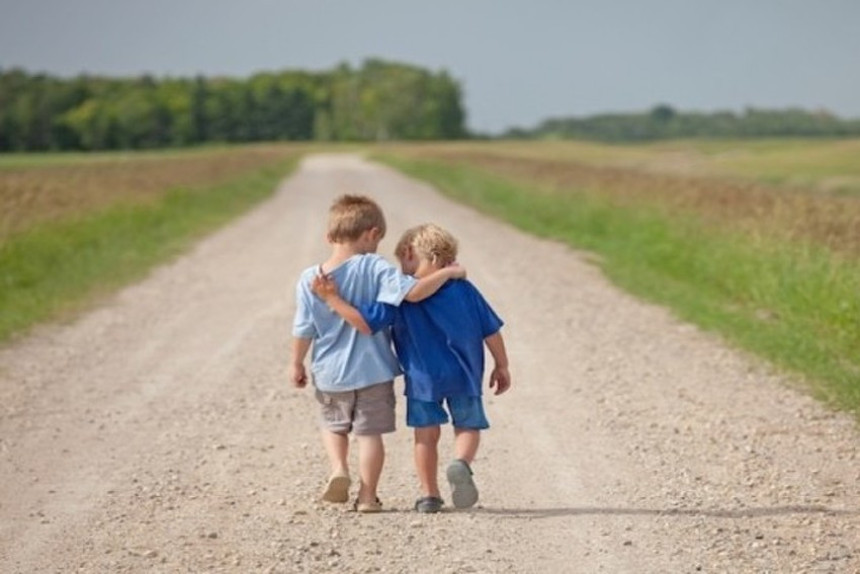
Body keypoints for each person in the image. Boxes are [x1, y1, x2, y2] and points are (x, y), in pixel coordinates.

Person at [312, 223, 511, 513]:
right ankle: (461, 463)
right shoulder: (465, 289)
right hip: (465, 374)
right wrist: (502, 365)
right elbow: (490, 330)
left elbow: (365, 323)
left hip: (422, 379)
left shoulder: (399, 296)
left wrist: (332, 299)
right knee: (468, 426)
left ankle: (429, 495)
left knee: (425, 437)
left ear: (408, 253)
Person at [290, 196, 465, 513]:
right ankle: (368, 497)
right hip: (374, 371)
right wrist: (449, 273)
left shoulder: (309, 279)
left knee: (333, 425)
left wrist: (296, 363)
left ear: (329, 237)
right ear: (372, 234)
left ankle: (339, 468)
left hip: (330, 372)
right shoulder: (376, 267)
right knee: (369, 435)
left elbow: (303, 329)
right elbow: (413, 292)